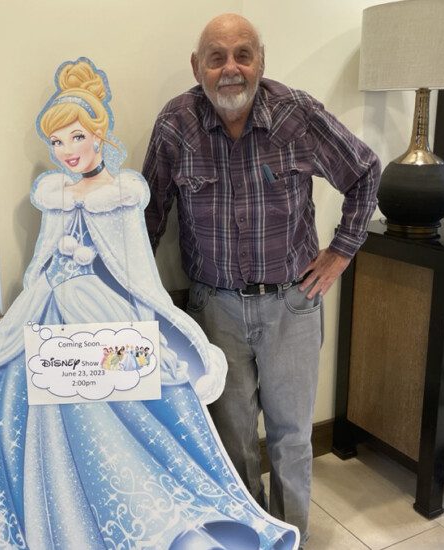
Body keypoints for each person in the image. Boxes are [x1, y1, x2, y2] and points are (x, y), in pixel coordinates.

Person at [0, 57, 300, 549]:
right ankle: (59, 510)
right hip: (51, 308)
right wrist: (22, 311)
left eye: (75, 136)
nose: (67, 150)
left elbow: (137, 269)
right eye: (58, 141)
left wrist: (153, 326)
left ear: (97, 135)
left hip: (99, 311)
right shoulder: (55, 195)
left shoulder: (121, 193)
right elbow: (39, 260)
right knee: (48, 410)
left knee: (116, 423)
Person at [143, 14, 380, 541]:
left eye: (243, 55)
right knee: (233, 439)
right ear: (197, 66)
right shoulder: (174, 125)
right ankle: (250, 537)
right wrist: (135, 294)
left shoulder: (297, 114)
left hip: (292, 304)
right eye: (217, 56)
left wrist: (341, 252)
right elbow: (147, 218)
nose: (231, 68)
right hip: (214, 310)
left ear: (260, 61)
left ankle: (290, 536)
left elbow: (365, 172)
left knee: (293, 438)